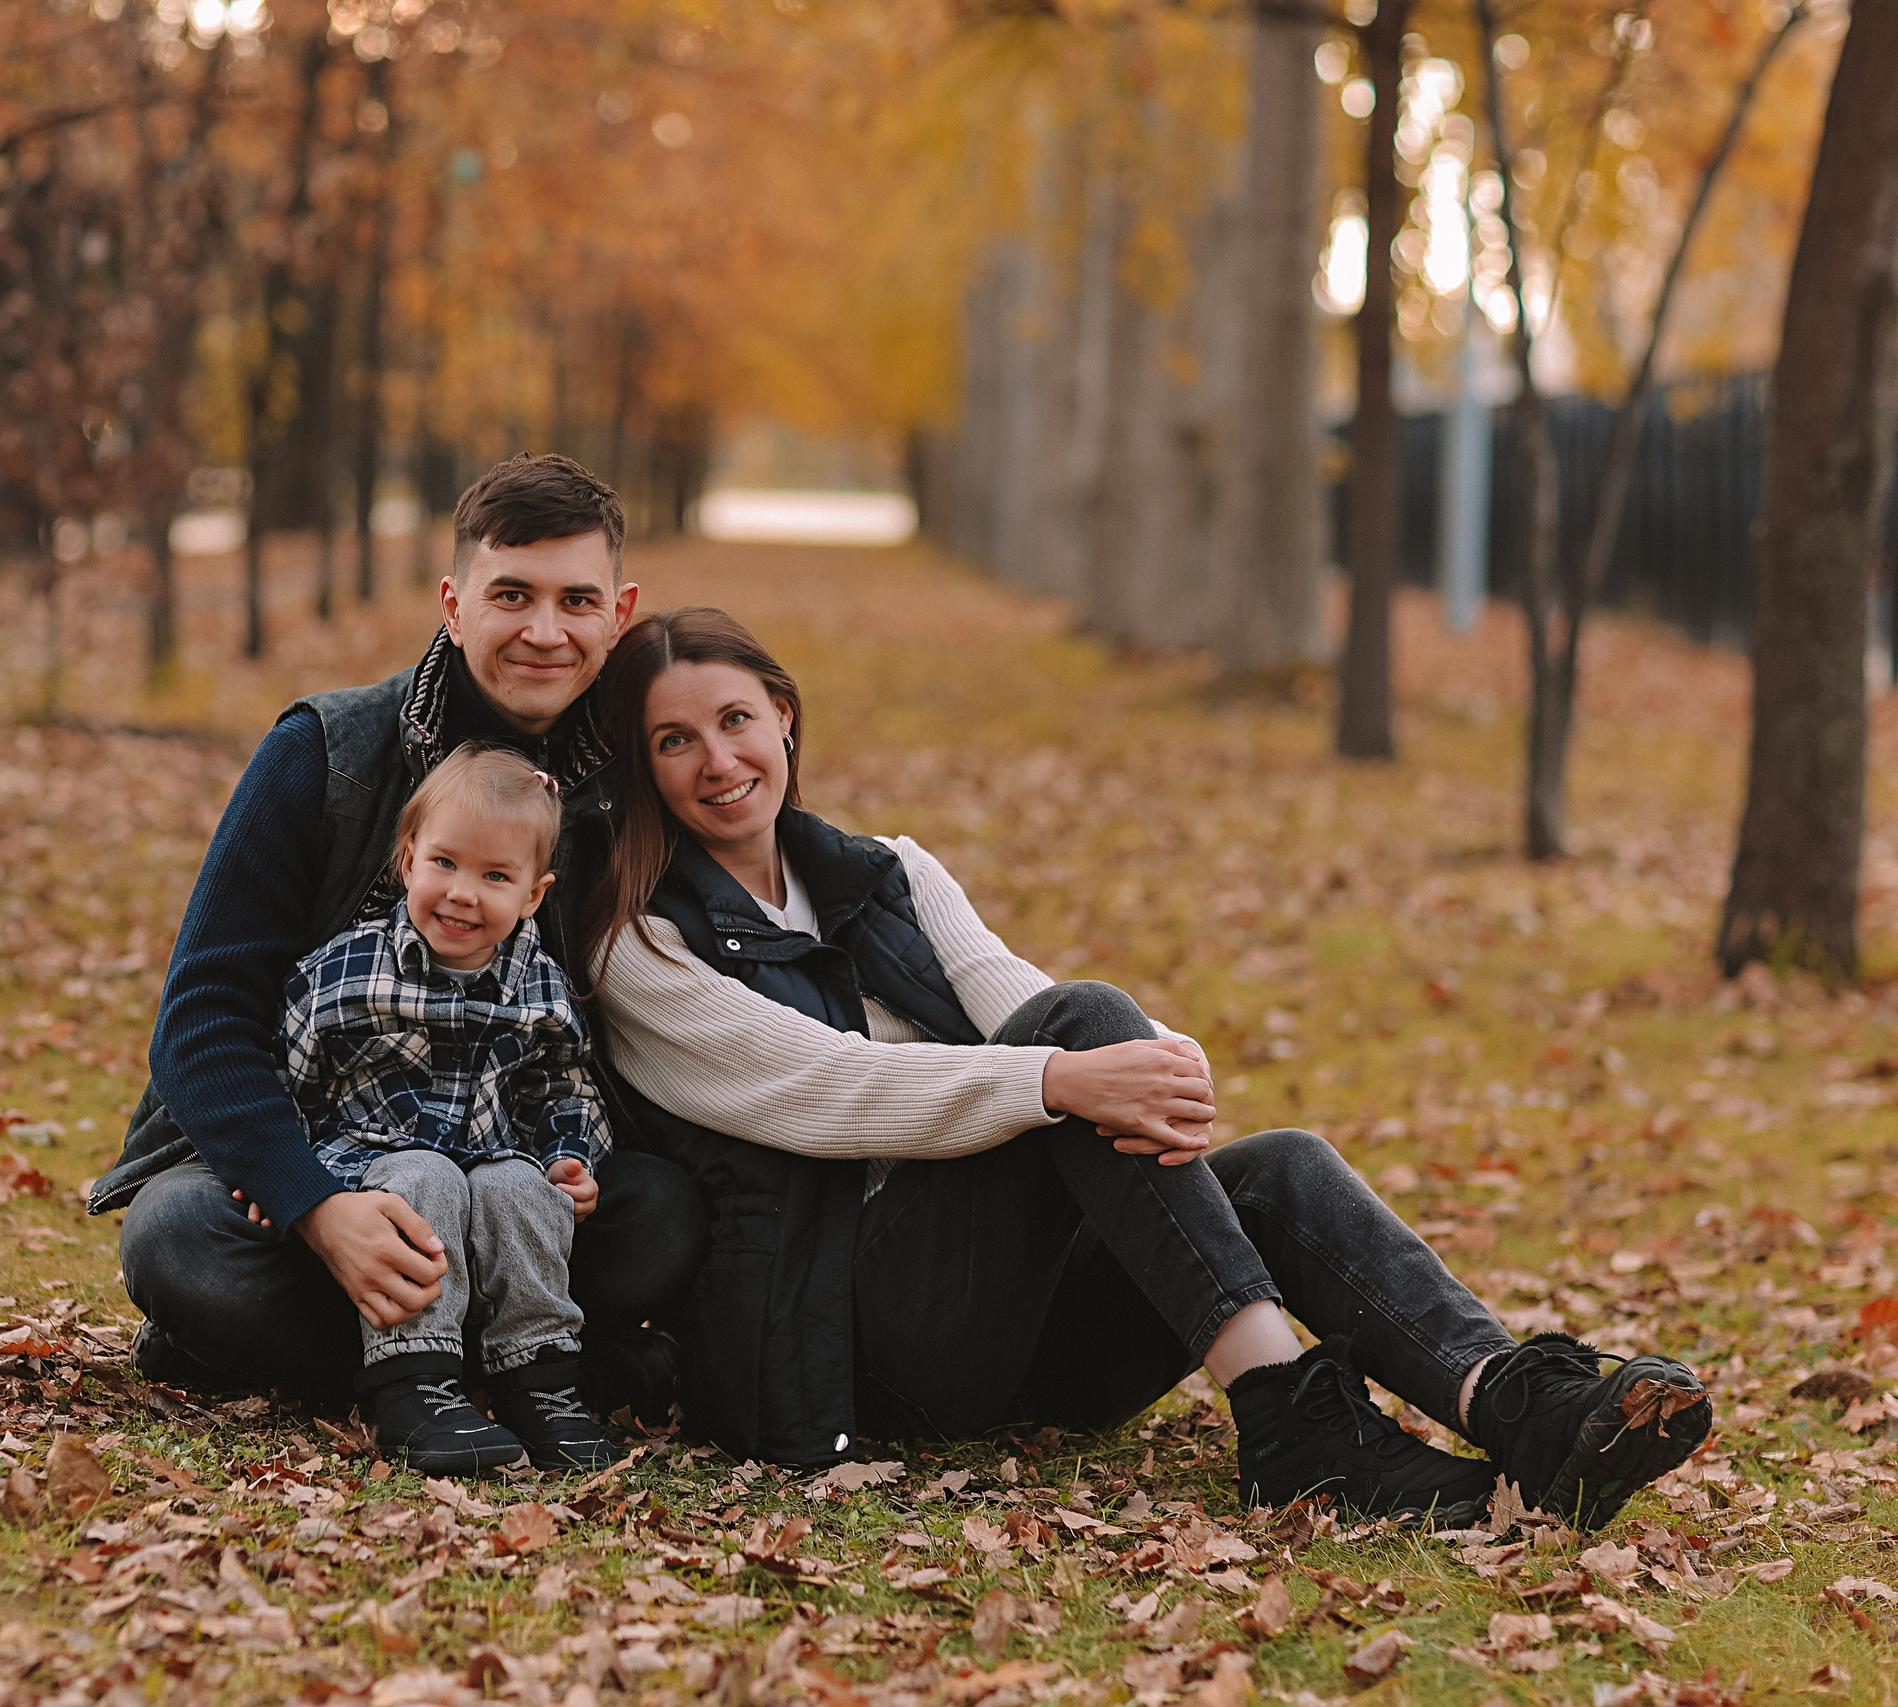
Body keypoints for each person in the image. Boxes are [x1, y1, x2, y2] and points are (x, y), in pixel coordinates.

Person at [579, 607, 1711, 1528]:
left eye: (734, 719)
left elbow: (1024, 1003)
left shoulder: (889, 872)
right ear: (643, 770)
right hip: (855, 1345)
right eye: (674, 742)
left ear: (782, 717)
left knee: (1277, 1169)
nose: (717, 760)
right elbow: (827, 1091)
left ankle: (1515, 1403)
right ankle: (1291, 1422)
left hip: (1026, 1340)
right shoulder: (638, 942)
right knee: (1078, 1041)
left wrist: (1157, 1058)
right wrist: (1060, 1080)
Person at [91, 456, 704, 1421]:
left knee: (664, 1216)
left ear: (617, 612)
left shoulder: (629, 783)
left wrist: (571, 1168)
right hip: (335, 1164)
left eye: (576, 600)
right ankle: (535, 1372)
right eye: (513, 595)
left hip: (515, 1189)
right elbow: (202, 1019)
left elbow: (767, 837)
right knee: (177, 1241)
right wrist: (314, 1205)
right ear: (455, 605)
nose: (546, 631)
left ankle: (357, 1363)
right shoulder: (327, 751)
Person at [272, 747, 617, 1472]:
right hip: (371, 1162)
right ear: (407, 861)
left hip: (493, 1159)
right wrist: (279, 1174)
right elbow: (290, 1071)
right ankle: (415, 1381)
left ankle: (538, 1379)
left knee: (523, 1191)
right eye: (445, 863)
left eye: (495, 876)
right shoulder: (348, 970)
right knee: (425, 1175)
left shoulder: (541, 987)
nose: (463, 893)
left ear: (533, 894)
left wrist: (570, 1154)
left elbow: (564, 1086)